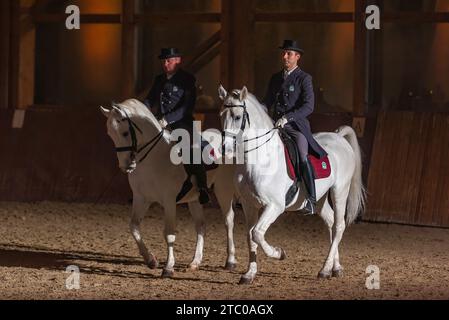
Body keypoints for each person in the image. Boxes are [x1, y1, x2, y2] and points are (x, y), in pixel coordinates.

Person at [263, 40, 327, 214]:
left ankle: (311, 199)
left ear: (297, 57)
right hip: (274, 125)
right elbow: (266, 102)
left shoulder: (304, 78)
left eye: (289, 53)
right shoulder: (275, 78)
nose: (285, 56)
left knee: (301, 151)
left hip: (295, 126)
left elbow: (309, 106)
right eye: (284, 53)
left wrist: (287, 117)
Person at [144, 47, 209, 204]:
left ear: (178, 61)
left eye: (169, 60)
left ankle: (202, 187)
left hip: (181, 122)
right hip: (159, 121)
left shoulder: (187, 80)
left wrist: (167, 119)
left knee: (190, 150)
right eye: (163, 61)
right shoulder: (159, 79)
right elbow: (150, 99)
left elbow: (187, 107)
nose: (165, 63)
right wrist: (140, 111)